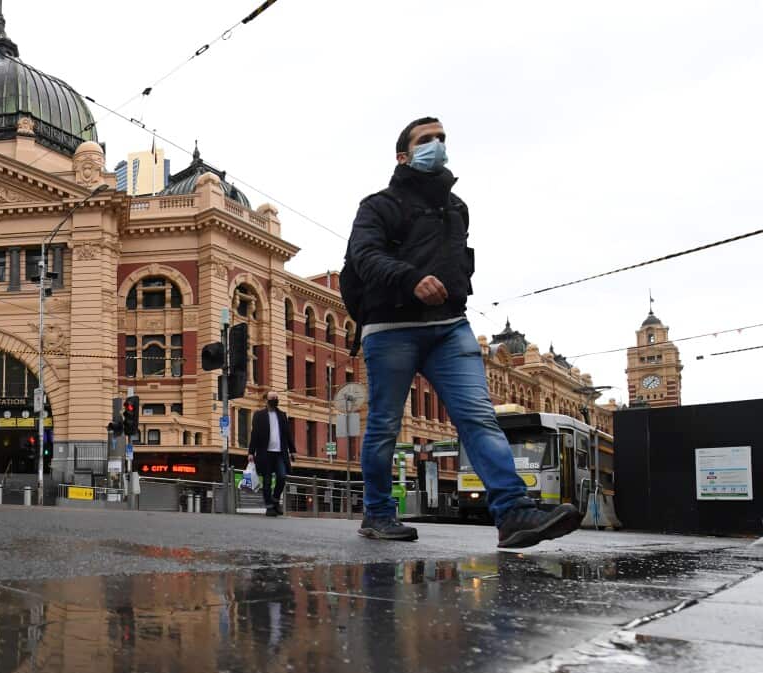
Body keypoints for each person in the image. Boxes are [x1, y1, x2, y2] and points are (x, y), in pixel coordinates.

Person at [342, 116, 581, 548]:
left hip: (449, 328)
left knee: (479, 418)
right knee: (383, 425)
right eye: (425, 140)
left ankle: (512, 513)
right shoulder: (378, 205)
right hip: (391, 328)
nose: (436, 145)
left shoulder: (456, 208)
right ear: (403, 155)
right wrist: (410, 278)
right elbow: (363, 257)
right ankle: (377, 513)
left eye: (441, 138)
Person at [247, 390, 296, 517]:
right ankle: (269, 507)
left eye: (276, 398)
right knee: (267, 481)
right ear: (266, 400)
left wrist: (293, 451)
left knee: (282, 476)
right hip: (265, 454)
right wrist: (251, 452)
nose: (275, 400)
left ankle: (275, 500)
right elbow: (254, 434)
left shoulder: (282, 415)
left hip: (280, 453)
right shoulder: (259, 415)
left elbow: (287, 434)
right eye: (272, 398)